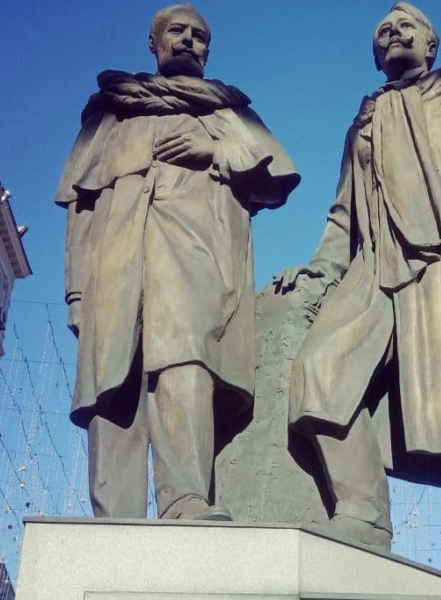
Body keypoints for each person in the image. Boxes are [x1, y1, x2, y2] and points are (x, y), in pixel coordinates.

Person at [276, 4, 441, 599]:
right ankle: (363, 513)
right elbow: (343, 213)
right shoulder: (365, 120)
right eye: (383, 31)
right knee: (320, 372)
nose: (394, 34)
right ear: (376, 54)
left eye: (407, 27)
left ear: (431, 44)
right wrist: (319, 269)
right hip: (376, 267)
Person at [56, 3, 299, 520]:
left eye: (199, 35)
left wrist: (214, 149)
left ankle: (185, 497)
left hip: (197, 256)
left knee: (185, 360)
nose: (189, 40)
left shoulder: (227, 112)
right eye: (177, 31)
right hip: (114, 262)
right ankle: (113, 517)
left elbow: (275, 182)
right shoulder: (112, 112)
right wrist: (76, 290)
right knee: (112, 382)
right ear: (155, 42)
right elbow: (80, 205)